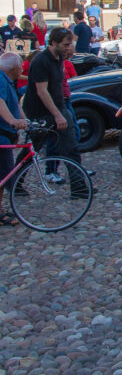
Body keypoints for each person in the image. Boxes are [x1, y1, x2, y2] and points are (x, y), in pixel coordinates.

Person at [22, 28, 84, 186]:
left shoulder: (59, 57)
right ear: (54, 43)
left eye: (70, 44)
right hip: (40, 111)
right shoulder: (41, 61)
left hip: (59, 106)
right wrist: (57, 115)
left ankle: (79, 187)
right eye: (65, 44)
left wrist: (60, 112)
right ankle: (15, 181)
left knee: (71, 147)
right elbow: (42, 92)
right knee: (33, 148)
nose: (68, 47)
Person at [0, 52, 29, 227]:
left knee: (4, 175)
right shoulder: (1, 79)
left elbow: (15, 104)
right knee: (3, 175)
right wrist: (12, 121)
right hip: (2, 133)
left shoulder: (6, 80)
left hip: (5, 133)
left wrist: (24, 120)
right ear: (16, 68)